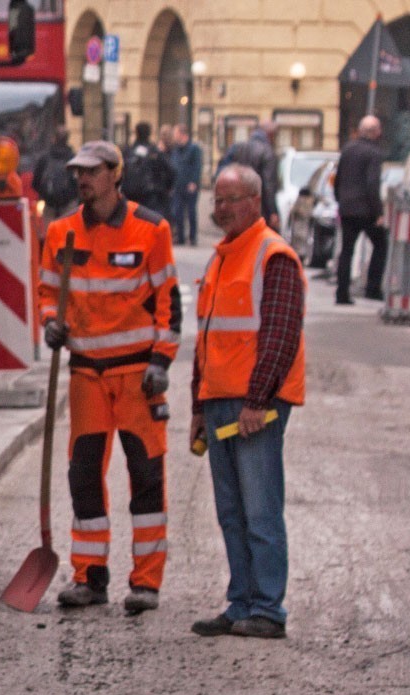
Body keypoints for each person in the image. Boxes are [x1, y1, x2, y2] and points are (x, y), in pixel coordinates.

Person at [37, 141, 181, 614]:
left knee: (145, 477)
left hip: (137, 375)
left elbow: (169, 302)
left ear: (115, 176)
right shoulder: (61, 232)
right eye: (78, 171)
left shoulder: (151, 229)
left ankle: (145, 584)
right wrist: (49, 322)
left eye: (93, 172)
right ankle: (89, 578)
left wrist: (161, 360)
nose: (82, 179)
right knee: (84, 477)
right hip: (86, 376)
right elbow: (47, 291)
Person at [190, 165, 304, 640]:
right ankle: (241, 603)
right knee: (232, 512)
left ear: (255, 201)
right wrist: (198, 407)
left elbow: (278, 336)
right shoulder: (221, 258)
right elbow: (208, 338)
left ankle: (267, 609)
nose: (220, 209)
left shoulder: (273, 255)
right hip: (219, 401)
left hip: (255, 405)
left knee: (259, 510)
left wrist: (257, 401)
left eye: (230, 200)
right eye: (217, 201)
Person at [334, 114, 389, 305]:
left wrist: (339, 201)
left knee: (346, 250)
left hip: (347, 208)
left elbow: (338, 178)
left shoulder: (348, 149)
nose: (381, 132)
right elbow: (372, 184)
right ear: (374, 132)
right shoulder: (374, 153)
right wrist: (379, 212)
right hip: (366, 210)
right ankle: (373, 288)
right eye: (379, 129)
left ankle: (342, 293)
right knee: (381, 244)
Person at [219, 120, 280, 227]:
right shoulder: (267, 152)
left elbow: (223, 171)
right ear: (270, 134)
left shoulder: (238, 147)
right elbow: (268, 185)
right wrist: (273, 212)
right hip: (259, 207)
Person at [123, 122, 177, 216]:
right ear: (149, 134)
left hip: (130, 195)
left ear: (136, 133)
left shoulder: (128, 151)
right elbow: (171, 171)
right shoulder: (154, 152)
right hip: (151, 196)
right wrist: (167, 188)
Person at [168, 125, 204, 245]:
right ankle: (181, 236)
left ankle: (193, 237)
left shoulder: (194, 149)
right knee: (178, 211)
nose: (174, 136)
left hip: (190, 185)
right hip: (178, 185)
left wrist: (194, 181)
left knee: (191, 211)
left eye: (176, 133)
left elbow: (197, 166)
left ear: (182, 134)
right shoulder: (176, 149)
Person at [34, 128, 78, 217]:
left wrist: (44, 196)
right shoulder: (73, 158)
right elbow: (78, 182)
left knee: (50, 230)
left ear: (54, 138)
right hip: (68, 204)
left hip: (49, 204)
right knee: (68, 229)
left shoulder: (45, 158)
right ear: (67, 139)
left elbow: (36, 182)